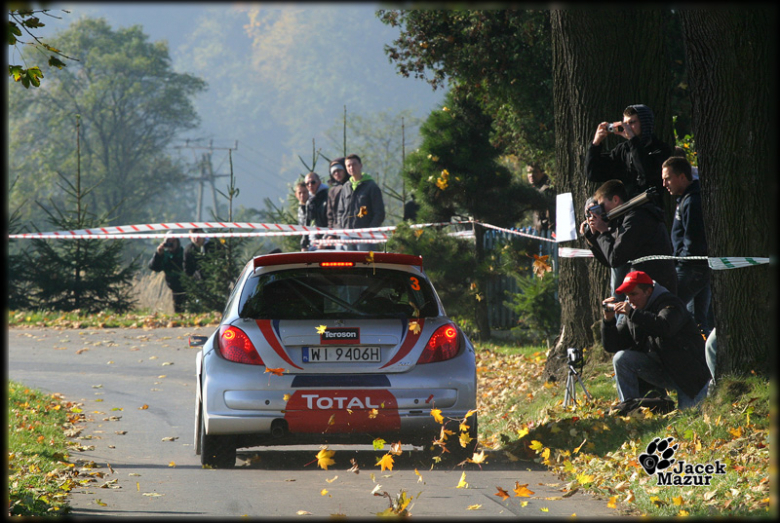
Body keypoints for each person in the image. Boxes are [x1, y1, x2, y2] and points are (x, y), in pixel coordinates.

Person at [602, 271, 711, 410]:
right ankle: (630, 408)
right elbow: (613, 345)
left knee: (691, 415)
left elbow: (664, 327)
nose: (630, 300)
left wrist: (633, 314)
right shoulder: (633, 311)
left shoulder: (670, 303)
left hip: (687, 373)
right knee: (621, 359)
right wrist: (608, 321)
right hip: (661, 369)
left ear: (648, 291)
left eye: (634, 294)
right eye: (627, 296)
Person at [581, 179, 678, 297]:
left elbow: (615, 258)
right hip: (645, 285)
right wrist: (594, 235)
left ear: (615, 199)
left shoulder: (636, 217)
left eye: (602, 205)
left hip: (655, 285)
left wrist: (603, 231)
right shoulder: (623, 218)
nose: (602, 211)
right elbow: (609, 258)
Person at [662, 156, 712, 336]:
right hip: (697, 269)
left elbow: (693, 242)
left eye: (668, 178)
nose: (664, 184)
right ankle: (701, 349)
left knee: (668, 308)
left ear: (682, 177)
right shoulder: (686, 199)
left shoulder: (692, 201)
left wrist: (680, 263)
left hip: (691, 268)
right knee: (697, 319)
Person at [586, 104, 672, 206]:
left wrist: (633, 140)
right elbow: (593, 174)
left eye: (631, 122)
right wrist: (596, 143)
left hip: (649, 208)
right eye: (625, 123)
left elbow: (646, 173)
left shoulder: (661, 149)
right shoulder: (623, 150)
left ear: (644, 123)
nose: (627, 127)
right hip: (625, 209)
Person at [338, 153, 385, 251]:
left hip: (365, 236)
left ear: (360, 165)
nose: (351, 168)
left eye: (354, 164)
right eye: (348, 165)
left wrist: (370, 230)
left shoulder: (371, 187)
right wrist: (342, 227)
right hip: (347, 235)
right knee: (348, 261)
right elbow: (340, 211)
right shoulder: (345, 187)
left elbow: (379, 213)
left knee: (366, 260)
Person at [148, 231, 186, 313]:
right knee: (178, 308)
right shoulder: (164, 254)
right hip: (172, 285)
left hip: (184, 284)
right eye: (168, 242)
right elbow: (154, 267)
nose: (171, 244)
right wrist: (158, 255)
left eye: (173, 241)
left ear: (177, 242)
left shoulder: (183, 253)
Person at [526, 164, 556, 237]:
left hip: (549, 234)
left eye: (535, 172)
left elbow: (551, 214)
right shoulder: (537, 188)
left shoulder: (546, 190)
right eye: (529, 172)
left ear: (543, 173)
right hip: (541, 232)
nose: (531, 175)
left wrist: (551, 230)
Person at [303, 171, 329, 250]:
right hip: (314, 238)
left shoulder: (328, 197)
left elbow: (333, 220)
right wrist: (304, 244)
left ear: (319, 182)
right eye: (307, 184)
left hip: (328, 239)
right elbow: (307, 223)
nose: (310, 185)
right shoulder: (309, 202)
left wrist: (326, 238)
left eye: (313, 182)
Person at [294, 181, 310, 251]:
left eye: (304, 192)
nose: (302, 195)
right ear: (296, 194)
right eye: (300, 193)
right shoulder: (300, 209)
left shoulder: (312, 206)